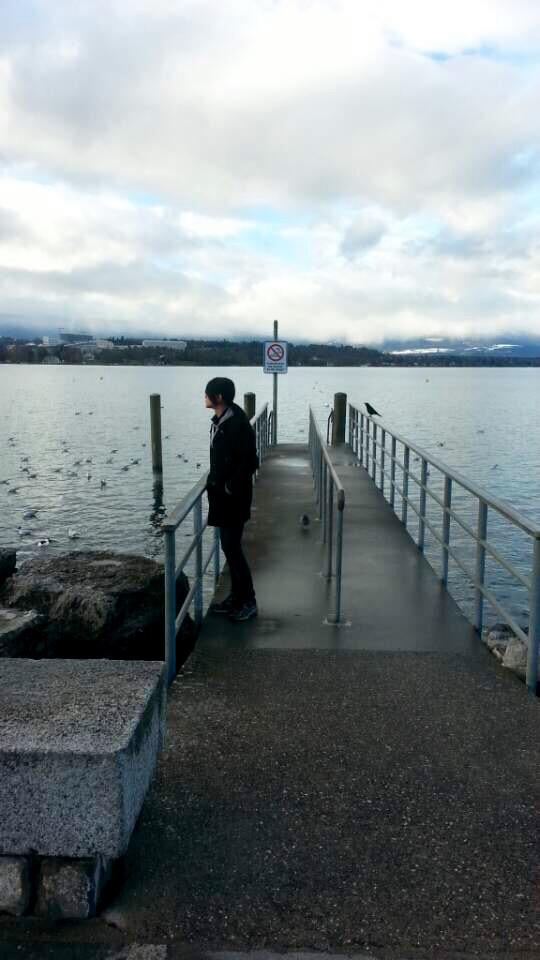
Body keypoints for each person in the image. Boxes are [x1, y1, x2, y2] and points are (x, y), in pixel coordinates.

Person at [205, 377, 259, 621]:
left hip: (233, 499)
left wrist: (229, 487)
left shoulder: (236, 423)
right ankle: (236, 597)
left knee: (232, 548)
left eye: (207, 394)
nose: (204, 397)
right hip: (223, 497)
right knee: (228, 546)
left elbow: (250, 461)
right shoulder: (223, 420)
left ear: (218, 397)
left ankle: (249, 601)